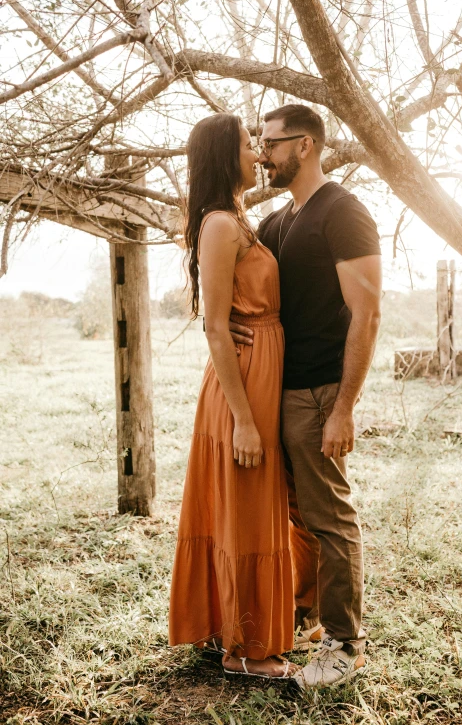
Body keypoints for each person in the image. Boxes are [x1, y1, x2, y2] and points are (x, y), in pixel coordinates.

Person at [229, 104, 382, 688]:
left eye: (270, 143)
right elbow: (252, 290)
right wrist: (233, 322)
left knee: (329, 516)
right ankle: (309, 614)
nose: (262, 153)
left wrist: (343, 408)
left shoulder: (344, 212)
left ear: (306, 145)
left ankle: (345, 645)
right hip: (280, 391)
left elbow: (366, 315)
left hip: (320, 390)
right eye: (259, 144)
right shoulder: (280, 220)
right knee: (295, 515)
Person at [168, 113, 297, 680]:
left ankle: (247, 631)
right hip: (240, 386)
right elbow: (216, 327)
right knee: (245, 511)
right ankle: (242, 651)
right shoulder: (220, 225)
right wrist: (243, 420)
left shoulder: (241, 218)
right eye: (251, 145)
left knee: (256, 506)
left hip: (261, 372)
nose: (259, 154)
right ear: (228, 155)